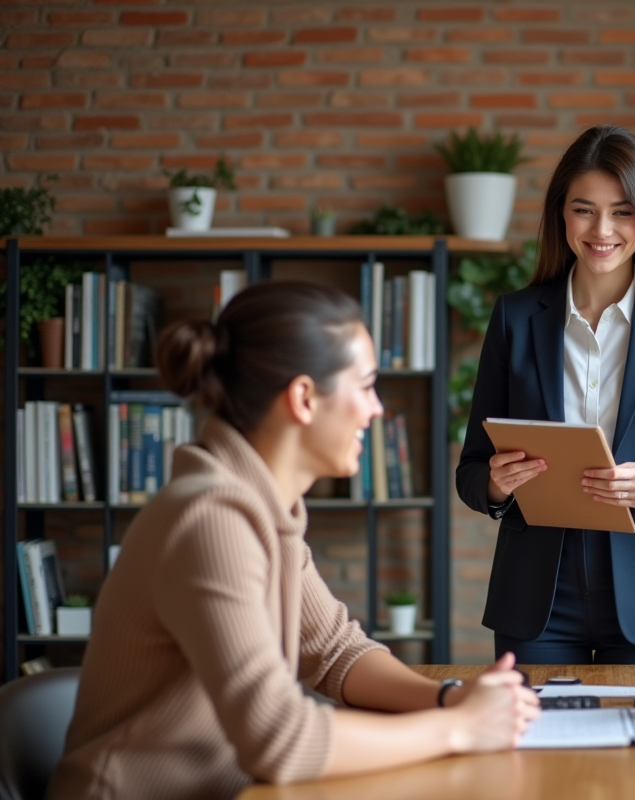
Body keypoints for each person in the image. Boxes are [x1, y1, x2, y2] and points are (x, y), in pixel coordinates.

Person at [49, 281, 540, 800]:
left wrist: (448, 699)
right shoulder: (211, 519)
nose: (376, 409)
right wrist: (459, 729)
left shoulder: (262, 506)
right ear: (304, 398)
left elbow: (333, 651)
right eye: (366, 385)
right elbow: (280, 739)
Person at [456, 125, 635, 665]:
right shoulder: (515, 318)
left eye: (623, 211)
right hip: (537, 602)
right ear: (560, 215)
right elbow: (471, 472)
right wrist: (495, 485)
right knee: (532, 749)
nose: (603, 230)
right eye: (584, 210)